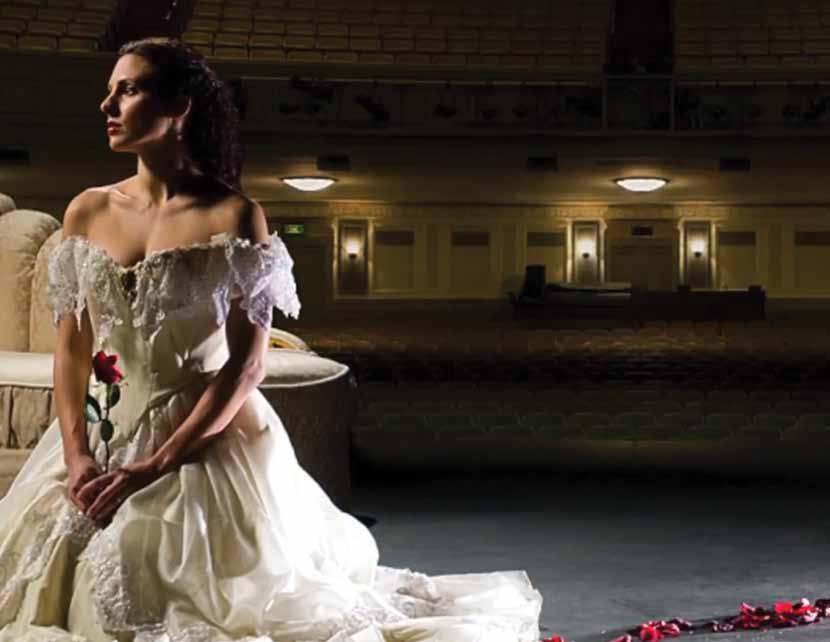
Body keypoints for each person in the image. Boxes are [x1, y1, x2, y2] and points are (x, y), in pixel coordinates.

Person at [0, 37, 543, 642]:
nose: (108, 105)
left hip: (200, 435)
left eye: (127, 90)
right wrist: (78, 453)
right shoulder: (87, 211)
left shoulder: (234, 216)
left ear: (179, 106)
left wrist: (156, 463)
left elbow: (246, 365)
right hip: (104, 425)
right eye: (109, 91)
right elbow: (73, 349)